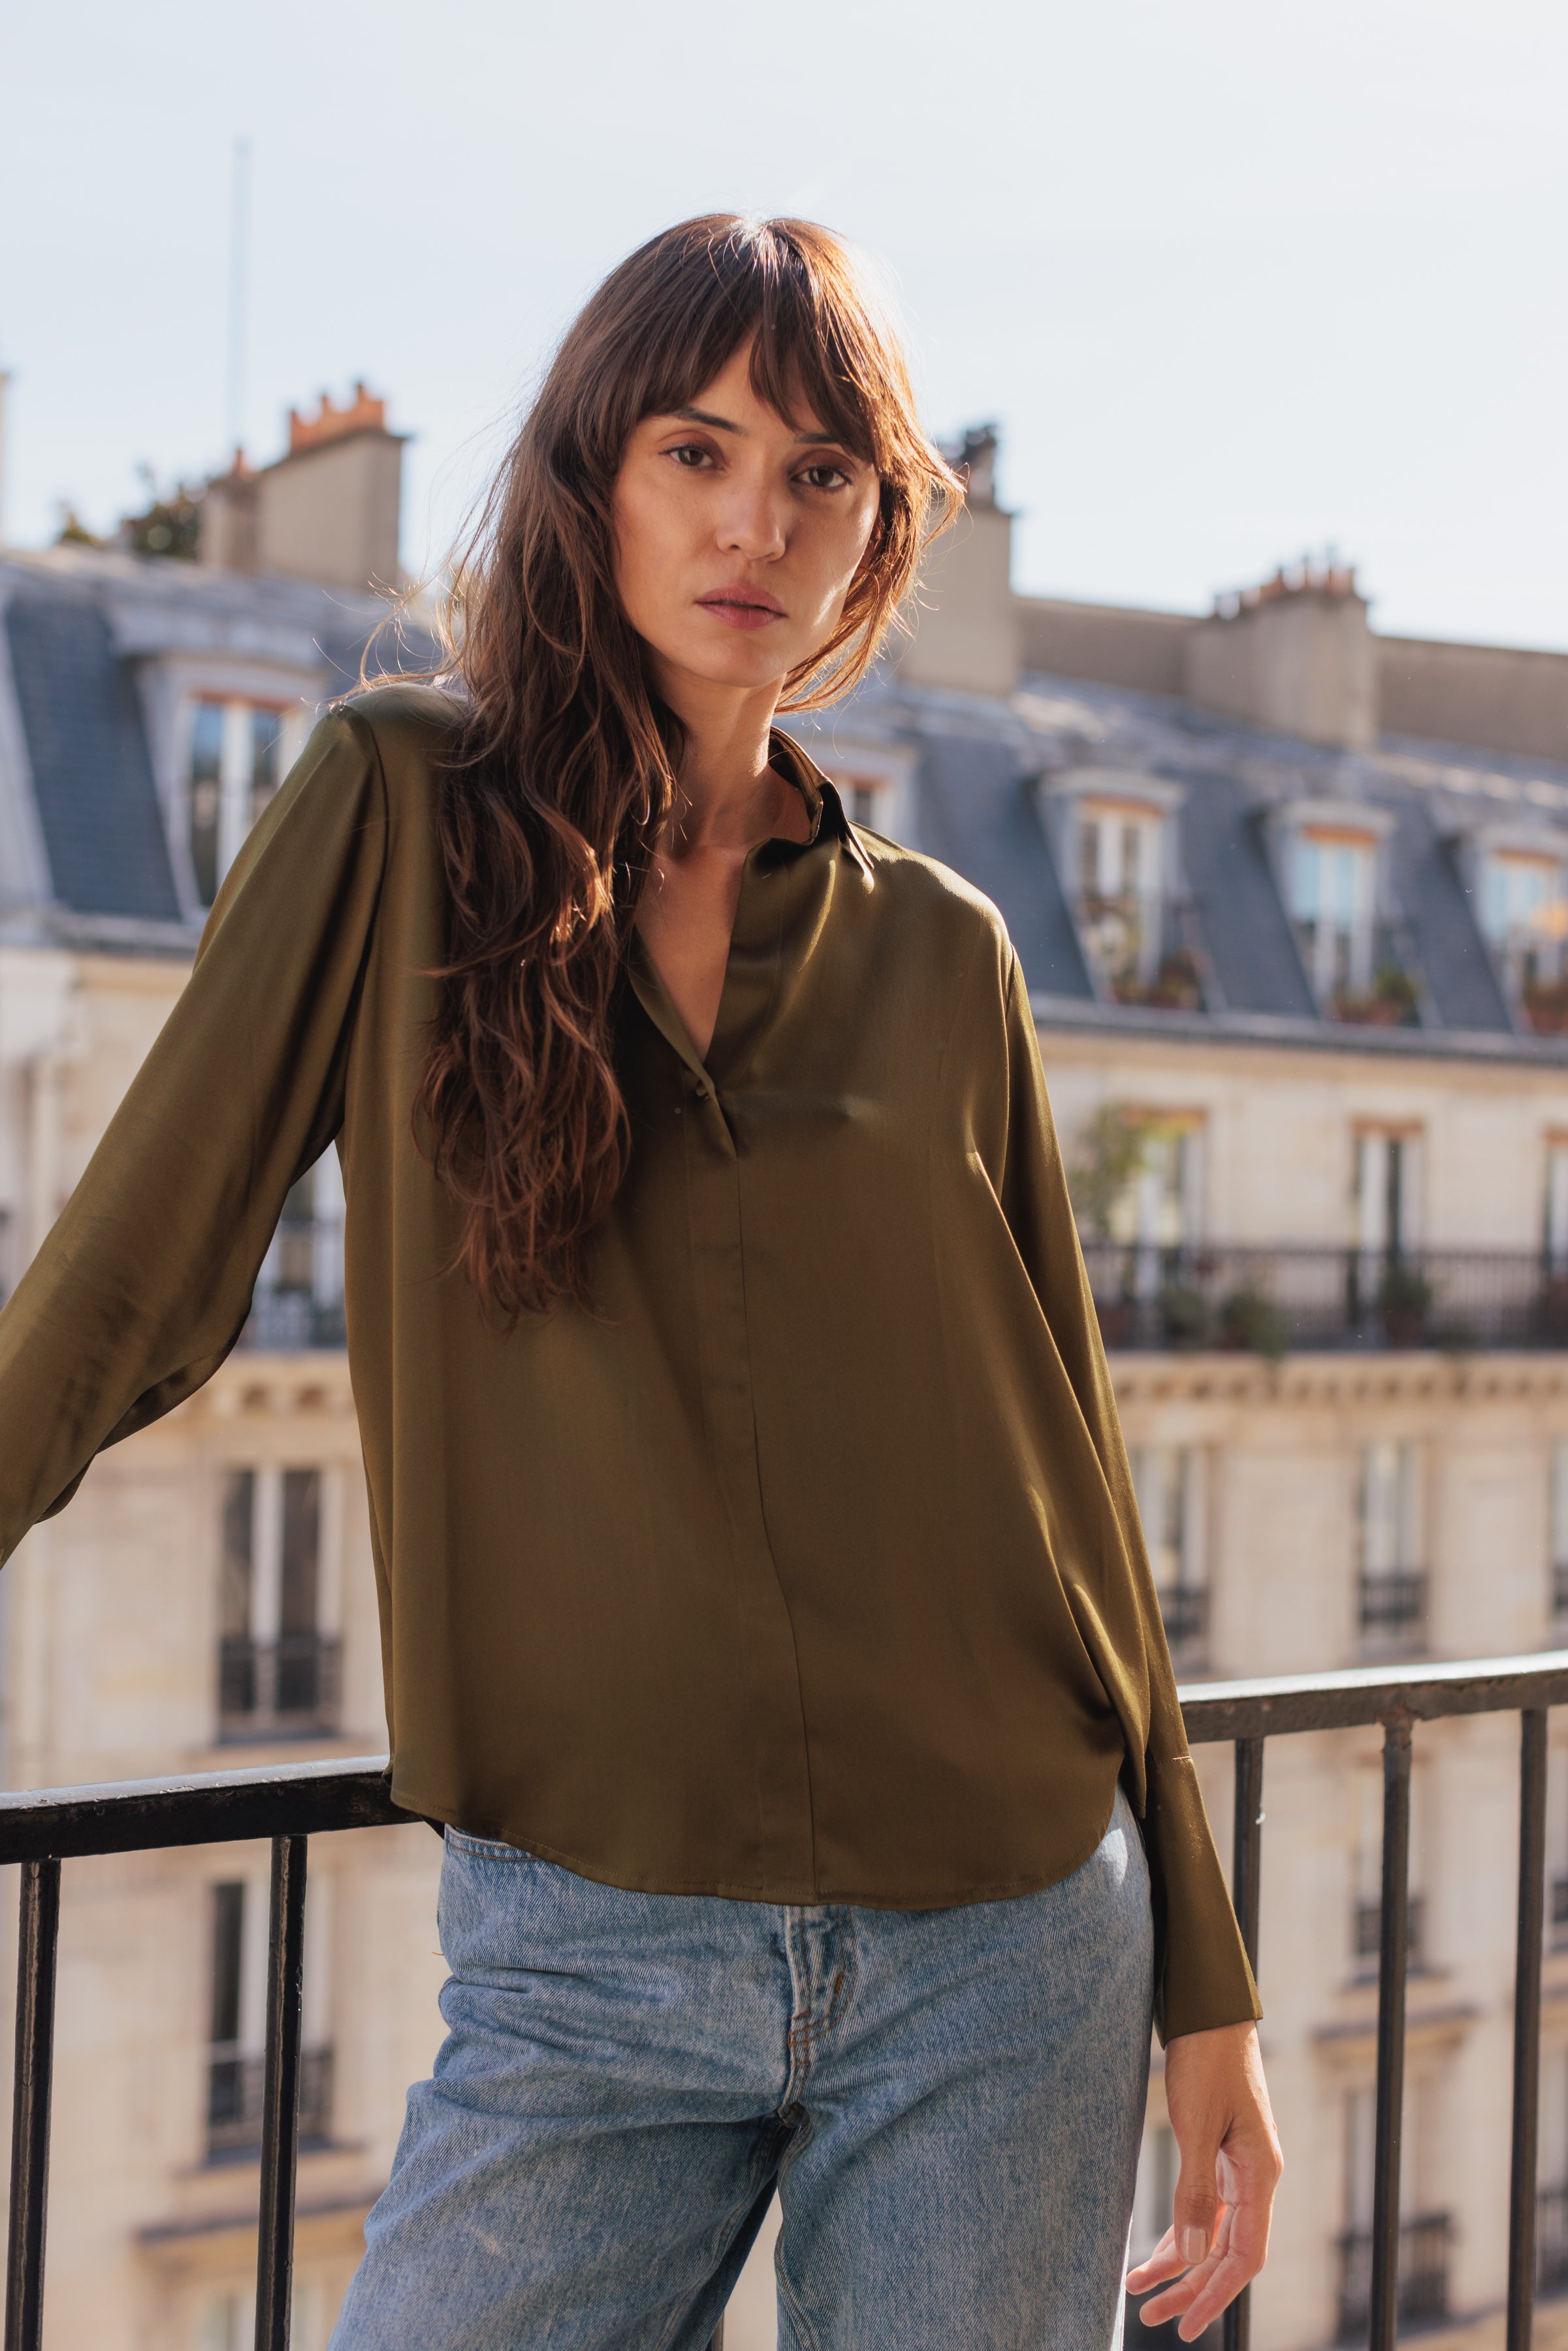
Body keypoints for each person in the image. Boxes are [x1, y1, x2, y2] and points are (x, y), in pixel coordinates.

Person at [0, 215, 1280, 2348]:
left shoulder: (944, 947)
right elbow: (125, 1280)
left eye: (816, 476)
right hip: (587, 1958)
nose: (750, 523)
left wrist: (1204, 1985)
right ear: (594, 472)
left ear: (877, 531)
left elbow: (1067, 1474)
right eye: (696, 451)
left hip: (1006, 1946)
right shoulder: (391, 806)